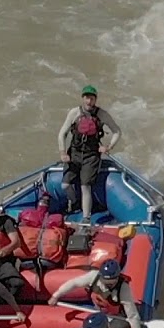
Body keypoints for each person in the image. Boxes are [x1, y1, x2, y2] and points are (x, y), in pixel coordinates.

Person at [46, 258, 145, 328]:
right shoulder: (94, 277)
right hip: (101, 312)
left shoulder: (123, 289)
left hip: (119, 317)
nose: (108, 286)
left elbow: (132, 316)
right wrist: (56, 295)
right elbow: (74, 283)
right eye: (105, 283)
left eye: (111, 284)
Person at [56, 85, 122, 224]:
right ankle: (74, 203)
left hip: (91, 155)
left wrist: (108, 147)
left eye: (92, 98)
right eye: (86, 98)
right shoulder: (74, 113)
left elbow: (117, 131)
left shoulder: (102, 115)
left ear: (95, 100)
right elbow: (62, 134)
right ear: (82, 98)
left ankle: (86, 217)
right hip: (74, 153)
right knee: (65, 185)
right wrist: (62, 152)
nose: (89, 101)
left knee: (85, 185)